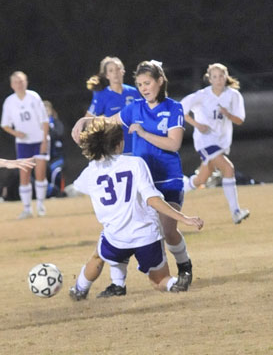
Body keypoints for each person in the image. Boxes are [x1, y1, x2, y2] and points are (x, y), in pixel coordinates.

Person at [72, 60, 195, 297]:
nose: (143, 88)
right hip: (140, 181)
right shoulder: (134, 108)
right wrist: (83, 121)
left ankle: (184, 267)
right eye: (139, 84)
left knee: (168, 231)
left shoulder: (174, 108)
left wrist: (142, 132)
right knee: (131, 229)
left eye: (147, 83)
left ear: (160, 81)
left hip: (167, 179)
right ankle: (120, 284)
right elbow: (107, 121)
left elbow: (174, 143)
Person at [180, 63, 250, 224]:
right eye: (215, 76)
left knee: (200, 180)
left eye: (221, 76)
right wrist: (196, 125)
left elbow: (240, 120)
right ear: (209, 79)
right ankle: (236, 212)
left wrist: (228, 114)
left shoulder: (233, 95)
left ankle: (175, 191)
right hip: (204, 141)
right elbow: (181, 108)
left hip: (221, 143)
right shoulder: (202, 95)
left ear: (226, 77)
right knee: (228, 168)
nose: (218, 79)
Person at [1, 71, 49, 219]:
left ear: (26, 82)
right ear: (11, 85)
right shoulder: (9, 101)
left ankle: (41, 205)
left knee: (40, 174)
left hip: (39, 139)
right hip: (23, 143)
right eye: (16, 82)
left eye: (21, 81)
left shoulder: (34, 97)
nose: (19, 84)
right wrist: (17, 133)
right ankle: (27, 209)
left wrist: (44, 140)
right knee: (24, 175)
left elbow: (45, 120)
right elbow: (5, 125)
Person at [85, 56, 140, 154]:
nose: (115, 73)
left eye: (118, 68)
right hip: (114, 150)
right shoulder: (101, 95)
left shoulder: (135, 92)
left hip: (136, 147)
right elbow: (88, 121)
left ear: (123, 71)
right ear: (107, 75)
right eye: (111, 70)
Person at [43, 100, 65, 197]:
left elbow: (59, 134)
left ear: (51, 111)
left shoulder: (56, 123)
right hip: (43, 158)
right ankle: (47, 195)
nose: (45, 112)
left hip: (56, 158)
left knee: (55, 172)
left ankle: (58, 194)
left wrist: (49, 127)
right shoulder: (38, 125)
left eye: (47, 110)